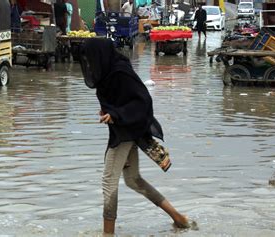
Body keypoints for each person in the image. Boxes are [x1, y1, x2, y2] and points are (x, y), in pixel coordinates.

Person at [79, 38, 191, 234]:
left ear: (100, 56)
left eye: (91, 59)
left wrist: (116, 114)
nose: (89, 64)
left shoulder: (120, 72)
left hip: (125, 132)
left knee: (108, 182)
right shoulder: (108, 73)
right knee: (133, 179)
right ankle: (178, 218)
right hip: (124, 130)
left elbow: (142, 101)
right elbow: (121, 99)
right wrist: (109, 112)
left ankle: (108, 233)